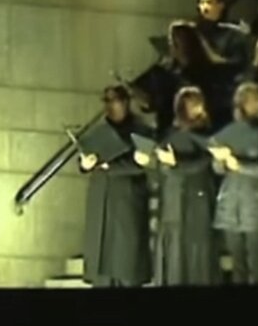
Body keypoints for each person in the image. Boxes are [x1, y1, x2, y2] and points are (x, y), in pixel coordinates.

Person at [76, 86, 153, 288]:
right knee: (101, 266)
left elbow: (142, 165)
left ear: (126, 103)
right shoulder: (100, 132)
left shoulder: (142, 130)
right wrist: (85, 164)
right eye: (107, 102)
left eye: (115, 101)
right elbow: (87, 157)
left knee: (125, 262)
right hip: (102, 198)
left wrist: (110, 166)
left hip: (126, 200)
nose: (111, 107)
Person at [145, 86, 219, 286]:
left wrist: (176, 163)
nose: (197, 108)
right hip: (174, 201)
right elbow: (162, 170)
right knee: (175, 254)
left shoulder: (208, 134)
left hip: (199, 200)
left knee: (199, 253)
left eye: (198, 102)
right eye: (192, 104)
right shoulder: (170, 135)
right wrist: (153, 162)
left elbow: (204, 162)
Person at [210, 83, 258, 285]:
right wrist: (220, 161)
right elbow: (217, 169)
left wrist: (238, 164)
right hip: (230, 202)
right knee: (237, 260)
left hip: (254, 202)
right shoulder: (225, 133)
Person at [195, 0, 252, 71]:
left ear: (221, 5)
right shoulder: (194, 33)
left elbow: (238, 65)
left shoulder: (234, 35)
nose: (204, 8)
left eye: (209, 2)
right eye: (202, 3)